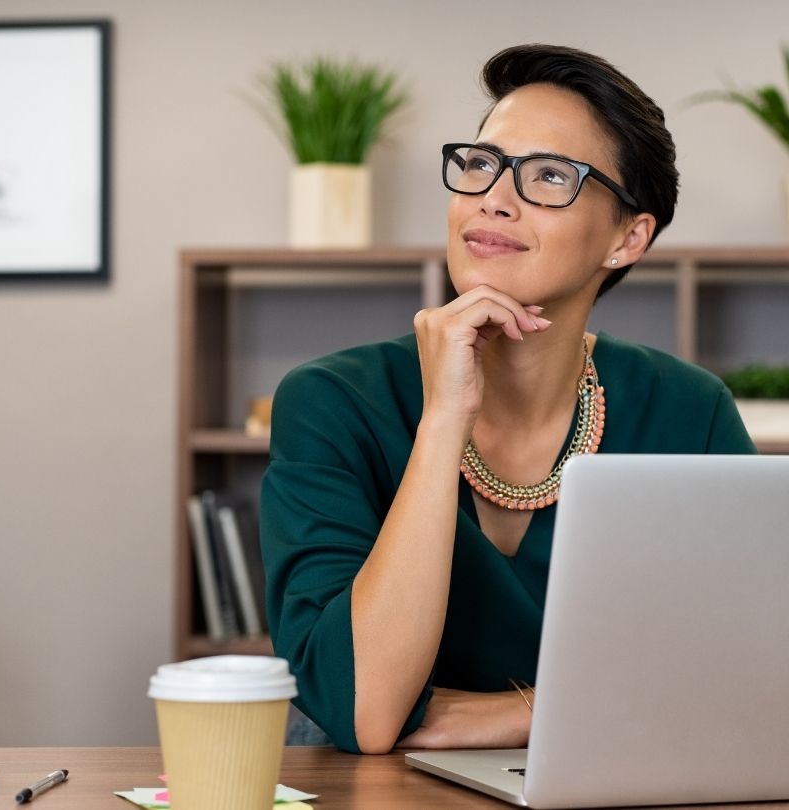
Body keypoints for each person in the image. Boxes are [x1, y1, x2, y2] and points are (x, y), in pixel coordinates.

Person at [260, 44, 756, 755]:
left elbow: (744, 667)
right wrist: (442, 421)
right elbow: (368, 709)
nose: (494, 196)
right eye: (481, 164)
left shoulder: (689, 411)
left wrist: (523, 713)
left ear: (628, 237)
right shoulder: (330, 401)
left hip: (609, 776)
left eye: (550, 175)